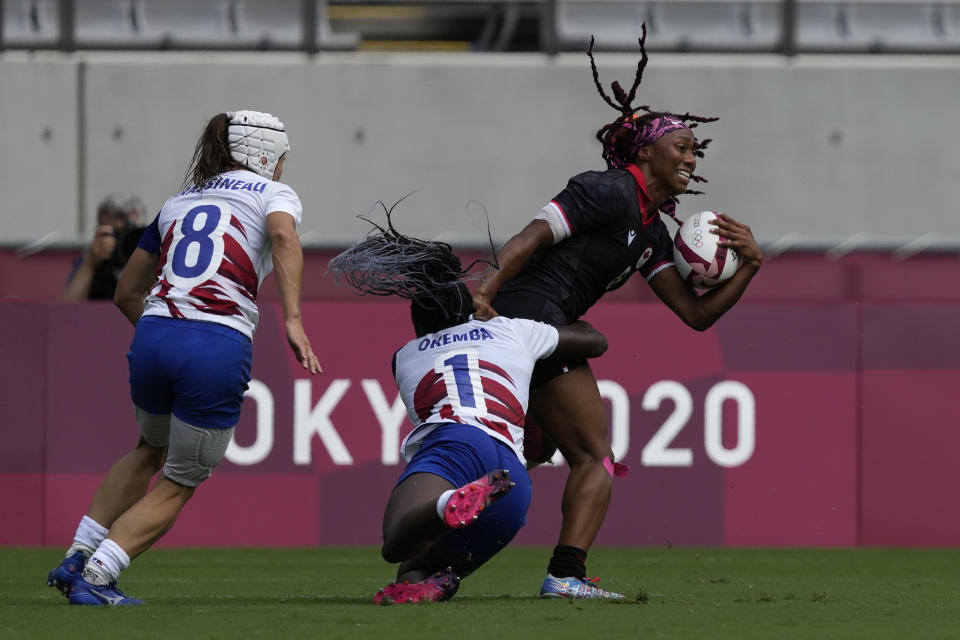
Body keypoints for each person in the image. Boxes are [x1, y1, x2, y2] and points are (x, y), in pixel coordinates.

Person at [471, 27, 765, 599]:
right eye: (682, 146)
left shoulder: (653, 231)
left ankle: (437, 553)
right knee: (593, 456)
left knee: (531, 451)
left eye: (694, 151)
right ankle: (566, 576)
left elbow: (696, 316)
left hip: (535, 325)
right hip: (529, 318)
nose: (690, 157)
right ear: (645, 151)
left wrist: (751, 266)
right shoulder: (604, 190)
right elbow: (530, 237)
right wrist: (486, 289)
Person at [46, 110, 322, 606]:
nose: (282, 168)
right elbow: (282, 236)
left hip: (153, 334)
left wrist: (164, 334)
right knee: (181, 479)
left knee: (147, 448)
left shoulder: (177, 201)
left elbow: (127, 292)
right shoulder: (274, 195)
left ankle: (76, 553)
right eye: (281, 158)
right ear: (265, 155)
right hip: (215, 342)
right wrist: (294, 320)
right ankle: (97, 576)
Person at [327, 208, 616, 603]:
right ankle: (438, 578)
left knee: (397, 543)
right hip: (511, 473)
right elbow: (595, 341)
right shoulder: (510, 329)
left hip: (454, 443)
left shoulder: (405, 356)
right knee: (414, 569)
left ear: (419, 326)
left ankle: (448, 505)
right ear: (468, 310)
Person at [62, 193, 147, 301]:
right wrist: (90, 264)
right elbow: (66, 310)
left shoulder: (156, 258)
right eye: (116, 233)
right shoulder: (93, 260)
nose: (124, 240)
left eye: (132, 233)